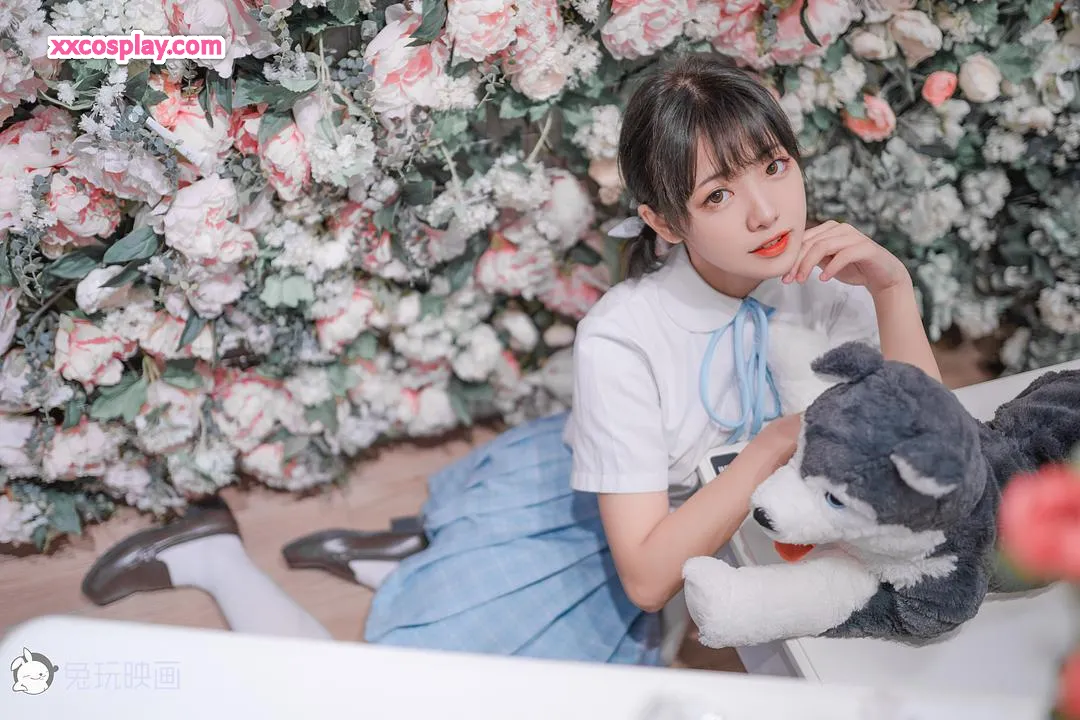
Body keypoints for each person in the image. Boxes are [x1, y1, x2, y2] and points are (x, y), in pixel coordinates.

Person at [81, 54, 942, 665]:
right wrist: (775, 444)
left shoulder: (830, 276)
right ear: (664, 222)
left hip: (720, 542)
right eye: (719, 193)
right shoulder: (624, 334)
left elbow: (938, 458)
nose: (766, 211)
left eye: (775, 165)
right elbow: (646, 575)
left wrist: (893, 289)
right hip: (605, 537)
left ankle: (400, 557)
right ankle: (215, 555)